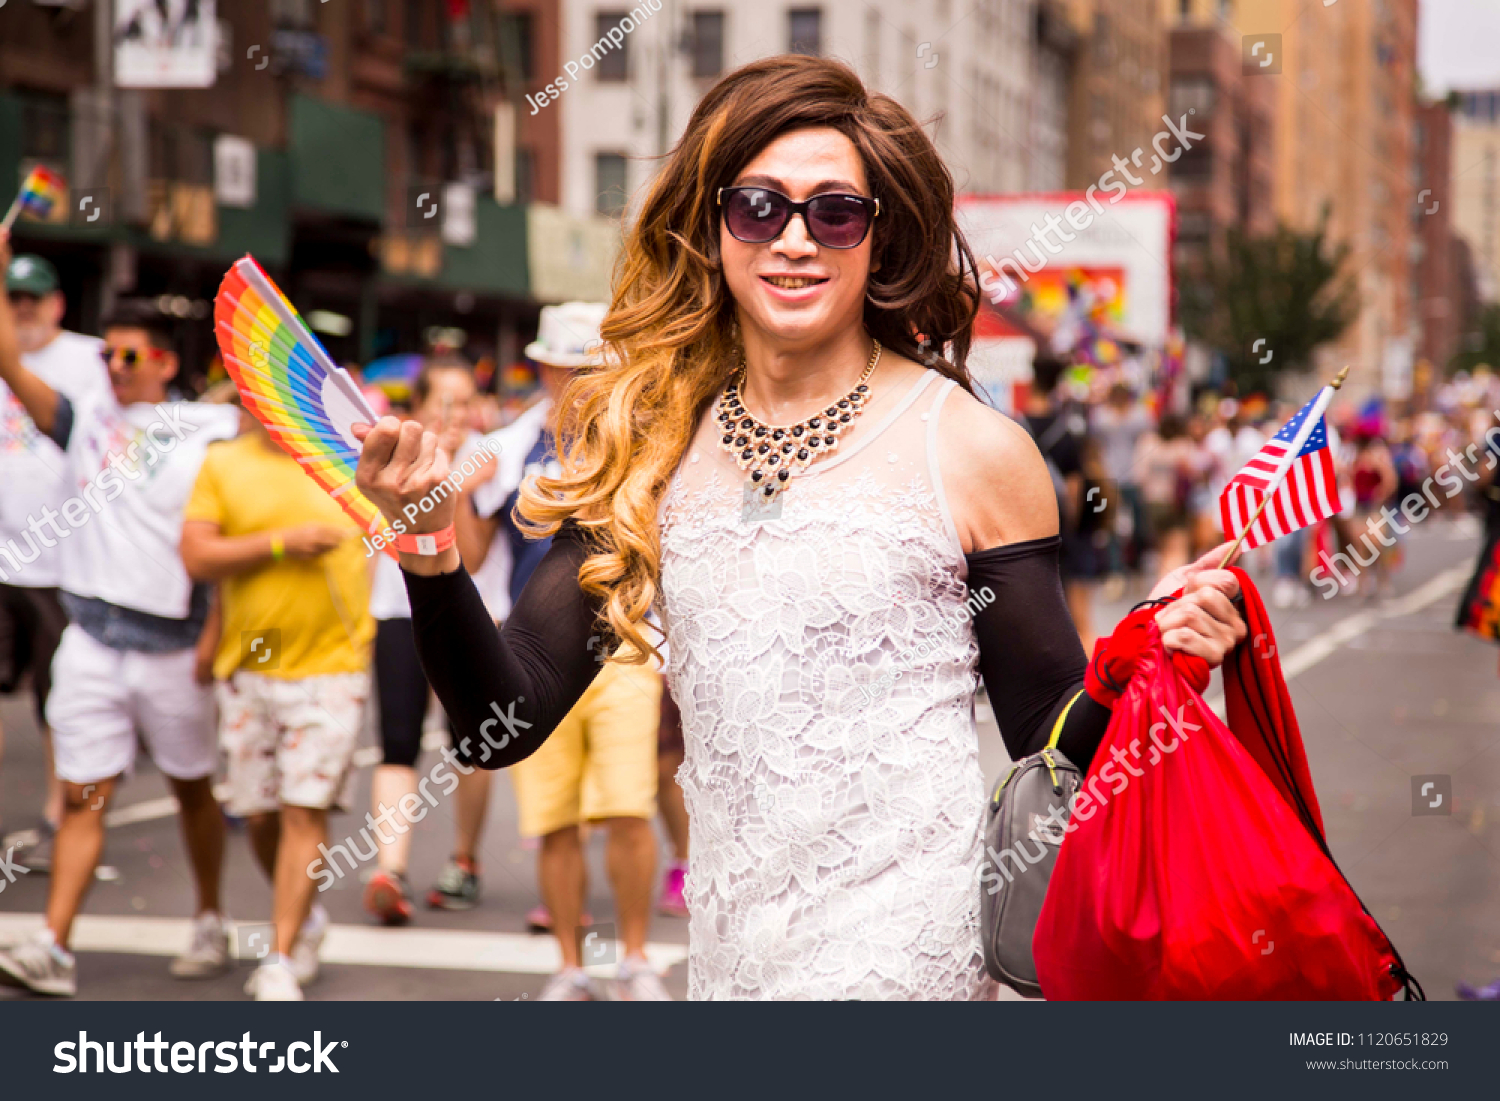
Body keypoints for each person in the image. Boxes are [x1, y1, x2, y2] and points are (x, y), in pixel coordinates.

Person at [352, 56, 1247, 1000]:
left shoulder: (974, 449)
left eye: (835, 211)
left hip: (911, 964)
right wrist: (427, 543)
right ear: (712, 227)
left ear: (877, 236)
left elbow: (1048, 728)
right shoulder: (647, 449)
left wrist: (1150, 652)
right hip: (734, 966)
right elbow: (503, 725)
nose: (794, 241)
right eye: (758, 207)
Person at [0, 236, 238, 997]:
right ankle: (53, 945)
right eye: (108, 356)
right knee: (83, 793)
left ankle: (208, 913)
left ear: (166, 363)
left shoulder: (210, 435)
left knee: (192, 788)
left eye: (129, 358)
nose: (113, 369)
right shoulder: (82, 421)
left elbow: (224, 532)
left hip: (172, 648)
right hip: (93, 640)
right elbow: (8, 362)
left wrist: (215, 634)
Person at [459, 303, 669, 1000]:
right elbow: (471, 553)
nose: (579, 380)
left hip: (624, 649)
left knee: (627, 811)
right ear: (544, 367)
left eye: (593, 367)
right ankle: (570, 967)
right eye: (567, 366)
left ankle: (635, 958)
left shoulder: (645, 440)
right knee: (555, 820)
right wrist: (452, 493)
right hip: (532, 653)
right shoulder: (505, 449)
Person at [179, 399, 374, 1000]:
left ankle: (281, 956)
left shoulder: (346, 464)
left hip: (331, 666)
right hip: (252, 662)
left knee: (301, 810)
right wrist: (283, 543)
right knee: (259, 814)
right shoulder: (224, 463)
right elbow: (197, 557)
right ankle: (306, 916)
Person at [362, 357, 506, 923]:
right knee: (396, 741)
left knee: (471, 745)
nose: (454, 413)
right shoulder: (391, 451)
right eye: (442, 401)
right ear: (417, 406)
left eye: (465, 399)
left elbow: (470, 553)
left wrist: (457, 490)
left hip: (472, 615)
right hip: (398, 610)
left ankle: (463, 861)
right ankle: (389, 870)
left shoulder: (488, 456)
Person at [0, 252, 109, 866]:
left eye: (33, 297)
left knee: (56, 700)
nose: (23, 307)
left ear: (58, 303)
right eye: (12, 296)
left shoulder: (93, 361)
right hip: (2, 555)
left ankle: (54, 814)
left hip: (61, 558)